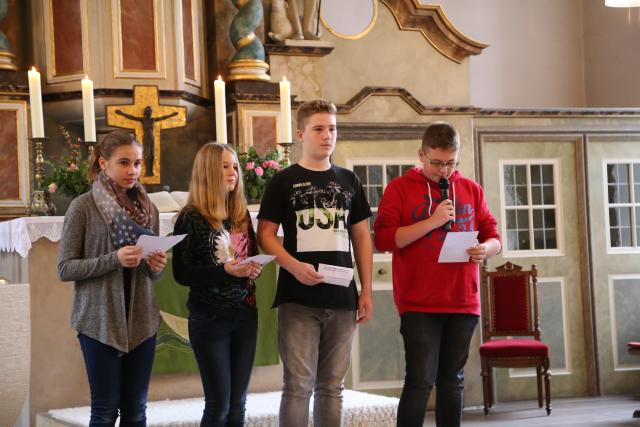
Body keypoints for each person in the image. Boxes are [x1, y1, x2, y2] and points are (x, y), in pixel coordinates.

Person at [374, 122, 502, 427]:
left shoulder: (471, 189)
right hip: (419, 302)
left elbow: (494, 236)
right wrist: (432, 221)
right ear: (421, 154)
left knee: (452, 381)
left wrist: (485, 249)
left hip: (462, 299)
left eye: (450, 163)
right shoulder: (399, 189)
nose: (444, 171)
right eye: (436, 163)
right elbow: (384, 239)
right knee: (420, 380)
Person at [257, 100, 373, 427]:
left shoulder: (349, 181)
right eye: (319, 129)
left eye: (332, 128)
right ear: (300, 134)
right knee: (297, 387)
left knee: (332, 387)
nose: (327, 135)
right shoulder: (282, 181)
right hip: (298, 297)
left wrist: (365, 291)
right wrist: (292, 266)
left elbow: (362, 237)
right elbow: (264, 235)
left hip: (342, 297)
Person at [58, 131, 167, 426]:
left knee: (136, 409)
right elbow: (65, 267)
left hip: (142, 320)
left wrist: (156, 265)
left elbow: (152, 276)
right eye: (124, 163)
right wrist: (113, 260)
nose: (132, 170)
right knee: (105, 410)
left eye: (137, 163)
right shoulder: (82, 207)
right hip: (99, 320)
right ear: (103, 164)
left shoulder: (150, 209)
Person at [172, 142, 262, 427]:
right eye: (225, 166)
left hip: (245, 314)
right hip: (210, 318)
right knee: (219, 405)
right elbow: (182, 273)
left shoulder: (240, 214)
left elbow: (249, 256)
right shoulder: (191, 217)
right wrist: (224, 271)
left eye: (235, 166)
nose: (233, 172)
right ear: (208, 171)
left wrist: (253, 267)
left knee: (238, 405)